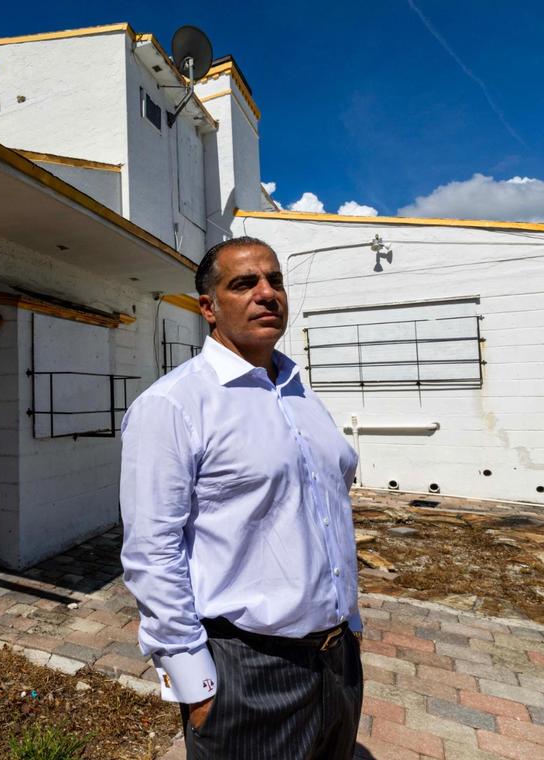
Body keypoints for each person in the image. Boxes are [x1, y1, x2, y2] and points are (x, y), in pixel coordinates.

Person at [120, 236, 363, 759]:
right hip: (248, 672)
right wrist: (195, 687)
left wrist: (352, 627)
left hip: (338, 660)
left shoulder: (300, 391)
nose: (267, 293)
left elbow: (328, 508)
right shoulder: (173, 405)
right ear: (208, 308)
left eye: (275, 280)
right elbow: (151, 551)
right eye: (244, 283)